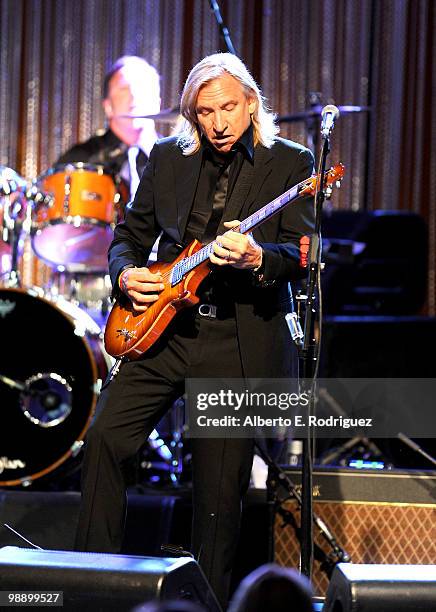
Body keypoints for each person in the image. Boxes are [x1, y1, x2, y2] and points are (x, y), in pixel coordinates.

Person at [74, 52, 315, 608]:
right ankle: (91, 590)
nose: (220, 123)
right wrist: (126, 273)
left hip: (235, 336)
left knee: (215, 497)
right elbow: (127, 237)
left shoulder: (292, 163)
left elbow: (303, 253)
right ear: (192, 115)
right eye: (206, 112)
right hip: (164, 331)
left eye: (230, 107)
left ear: (251, 103)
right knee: (105, 439)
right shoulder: (166, 157)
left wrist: (257, 257)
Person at [58, 55, 161, 200]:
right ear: (108, 106)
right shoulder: (80, 161)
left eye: (142, 86)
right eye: (124, 88)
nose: (134, 94)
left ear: (158, 101)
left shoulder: (179, 160)